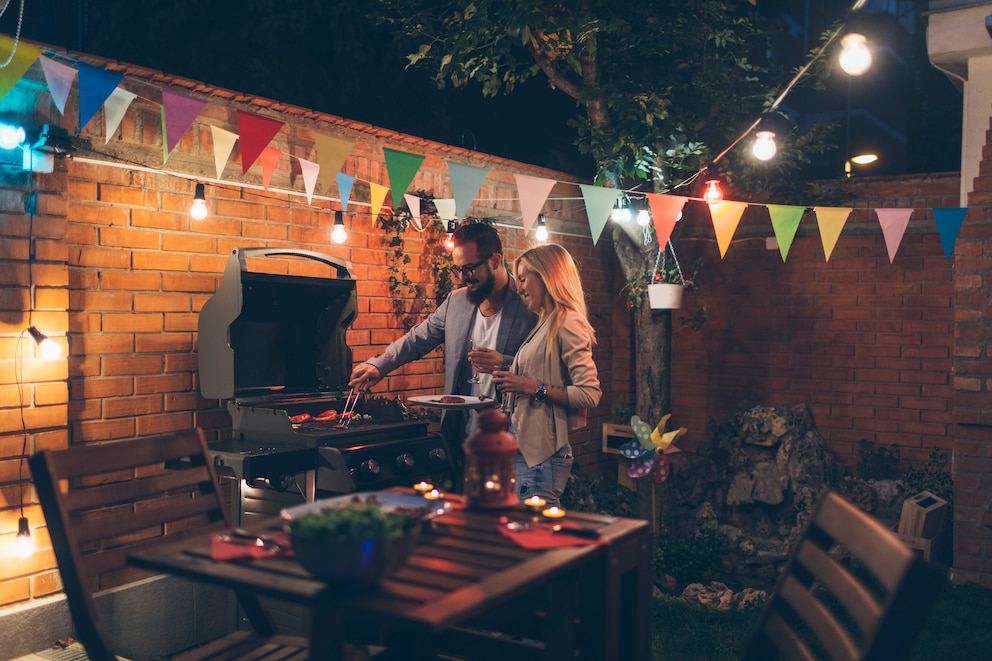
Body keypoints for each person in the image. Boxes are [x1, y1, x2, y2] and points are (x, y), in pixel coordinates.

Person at [348, 223, 537, 490]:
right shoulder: (456, 301)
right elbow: (417, 339)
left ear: (495, 261)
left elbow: (546, 369)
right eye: (457, 269)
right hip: (462, 441)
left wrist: (503, 362)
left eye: (469, 269)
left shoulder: (530, 305)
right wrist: (378, 365)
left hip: (512, 444)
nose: (462, 277)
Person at [492, 243, 601, 507]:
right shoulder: (547, 322)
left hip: (541, 456)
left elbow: (590, 394)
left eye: (523, 279)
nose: (519, 289)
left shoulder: (568, 321)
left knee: (534, 541)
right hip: (528, 452)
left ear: (546, 276)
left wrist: (532, 388)